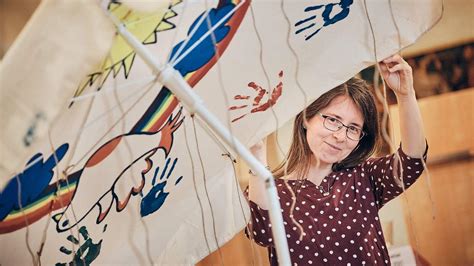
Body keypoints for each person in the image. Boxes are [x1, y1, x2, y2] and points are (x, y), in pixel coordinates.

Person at [246, 54, 428, 265]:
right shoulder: (270, 190)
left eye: (353, 128)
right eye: (333, 120)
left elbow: (412, 161)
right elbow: (260, 231)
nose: (340, 136)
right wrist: (256, 157)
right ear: (307, 118)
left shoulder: (364, 178)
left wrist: (405, 95)